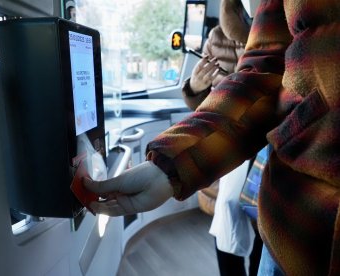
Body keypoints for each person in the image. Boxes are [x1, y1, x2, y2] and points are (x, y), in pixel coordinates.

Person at [85, 0, 340, 275]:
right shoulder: (218, 36)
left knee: (245, 220)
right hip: (297, 223)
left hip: (269, 151)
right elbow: (262, 76)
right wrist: (169, 167)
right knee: (228, 213)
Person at [182, 0, 262, 275]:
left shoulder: (287, 30)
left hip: (269, 149)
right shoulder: (217, 37)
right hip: (228, 147)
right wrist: (195, 87)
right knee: (225, 231)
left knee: (265, 236)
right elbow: (203, 106)